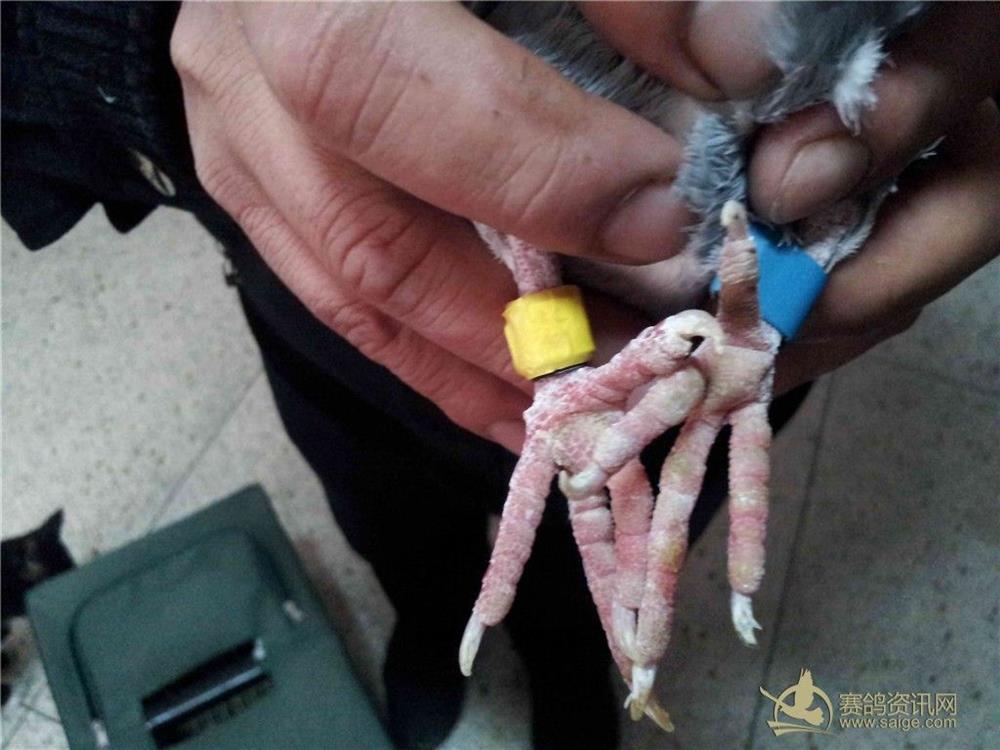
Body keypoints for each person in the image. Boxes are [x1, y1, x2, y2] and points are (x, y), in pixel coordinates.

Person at [3, 3, 998, 749]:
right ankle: (428, 621)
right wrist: (144, 34)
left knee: (601, 535)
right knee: (381, 504)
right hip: (322, 296)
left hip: (697, 341)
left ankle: (569, 668)